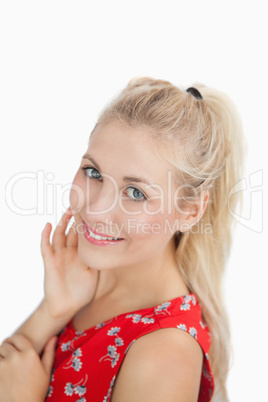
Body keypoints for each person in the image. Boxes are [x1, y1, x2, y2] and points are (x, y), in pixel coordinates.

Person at [0, 77, 244, 402]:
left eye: (135, 193)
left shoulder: (164, 355)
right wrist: (52, 312)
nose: (97, 210)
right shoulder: (89, 277)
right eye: (94, 172)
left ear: (190, 210)